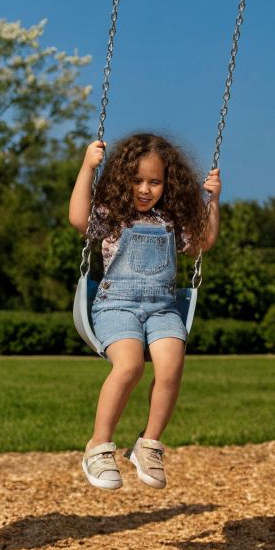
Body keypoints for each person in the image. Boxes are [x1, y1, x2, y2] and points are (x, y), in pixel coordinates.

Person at [68, 132, 220, 490]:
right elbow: (78, 218)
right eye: (137, 180)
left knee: (172, 365)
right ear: (123, 180)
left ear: (168, 184)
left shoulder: (171, 219)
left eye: (154, 181)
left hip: (163, 307)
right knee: (130, 366)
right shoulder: (113, 215)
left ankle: (149, 444)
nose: (145, 189)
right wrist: (87, 168)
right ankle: (99, 447)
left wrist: (213, 201)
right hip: (116, 305)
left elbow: (203, 242)